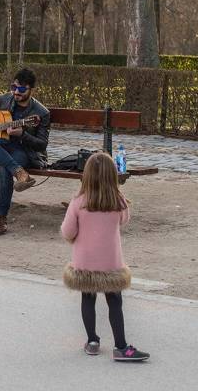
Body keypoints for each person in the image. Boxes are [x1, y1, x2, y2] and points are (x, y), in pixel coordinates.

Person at [60, 152, 150, 362]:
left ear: (87, 175)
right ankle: (121, 346)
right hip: (110, 261)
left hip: (85, 260)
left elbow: (67, 231)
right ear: (113, 175)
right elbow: (124, 220)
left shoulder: (78, 202)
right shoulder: (118, 201)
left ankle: (92, 341)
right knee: (115, 301)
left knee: (87, 298)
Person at [0, 68, 50, 235]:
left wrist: (22, 135)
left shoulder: (41, 113)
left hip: (27, 152)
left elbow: (42, 145)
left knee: (3, 167)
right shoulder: (6, 99)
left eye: (22, 89)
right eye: (13, 87)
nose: (16, 92)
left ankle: (1, 218)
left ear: (31, 90)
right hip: (5, 147)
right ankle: (20, 173)